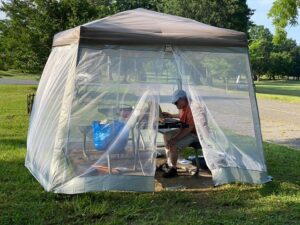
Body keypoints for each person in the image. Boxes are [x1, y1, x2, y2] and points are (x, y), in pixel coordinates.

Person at [161, 90, 199, 178]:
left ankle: (173, 169)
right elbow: (181, 115)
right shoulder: (184, 107)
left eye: (176, 102)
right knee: (166, 136)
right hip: (186, 129)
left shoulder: (193, 108)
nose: (175, 104)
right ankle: (170, 163)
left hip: (194, 134)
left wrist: (175, 139)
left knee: (173, 144)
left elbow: (189, 128)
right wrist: (171, 116)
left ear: (183, 99)